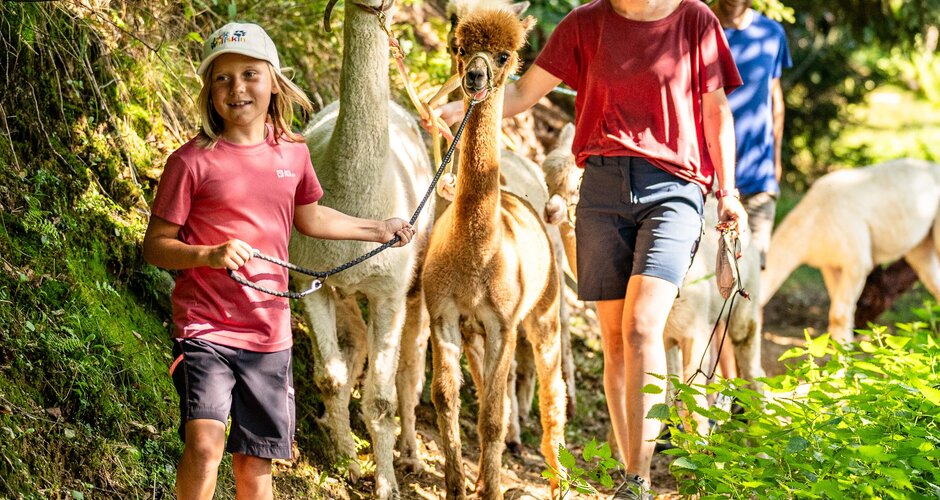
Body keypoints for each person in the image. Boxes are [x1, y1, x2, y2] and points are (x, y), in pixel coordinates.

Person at [437, 0, 746, 497]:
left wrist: (728, 191)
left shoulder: (694, 19)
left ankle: (638, 479)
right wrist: (466, 109)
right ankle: (633, 474)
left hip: (673, 189)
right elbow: (518, 93)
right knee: (616, 342)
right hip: (600, 190)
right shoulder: (583, 23)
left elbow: (716, 110)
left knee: (644, 325)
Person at [142, 22, 415, 500]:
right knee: (205, 446)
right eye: (222, 78)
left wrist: (379, 228)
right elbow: (155, 246)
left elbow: (309, 217)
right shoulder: (191, 162)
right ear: (209, 91)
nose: (237, 88)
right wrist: (208, 254)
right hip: (206, 327)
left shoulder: (293, 153)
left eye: (249, 74)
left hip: (269, 334)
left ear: (272, 81)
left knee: (255, 463)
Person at [711, 0, 792, 380]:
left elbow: (775, 97)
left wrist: (775, 158)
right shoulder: (699, 26)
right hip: (711, 179)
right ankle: (723, 386)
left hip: (758, 180)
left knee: (752, 279)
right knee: (716, 282)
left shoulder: (772, 34)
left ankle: (748, 378)